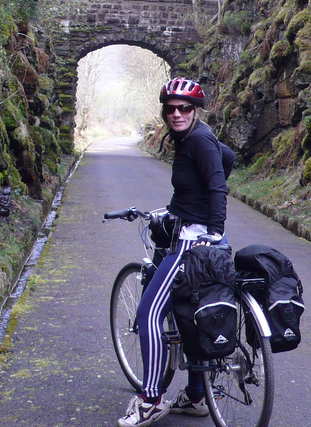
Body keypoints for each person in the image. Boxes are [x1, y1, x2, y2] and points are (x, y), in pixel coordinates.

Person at [118, 77, 231, 427]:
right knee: (188, 313)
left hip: (193, 242)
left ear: (195, 110)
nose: (177, 113)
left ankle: (150, 400)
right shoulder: (192, 138)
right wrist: (174, 211)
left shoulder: (197, 139)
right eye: (171, 109)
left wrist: (211, 232)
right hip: (194, 230)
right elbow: (228, 157)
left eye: (184, 108)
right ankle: (197, 396)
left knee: (149, 313)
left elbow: (217, 186)